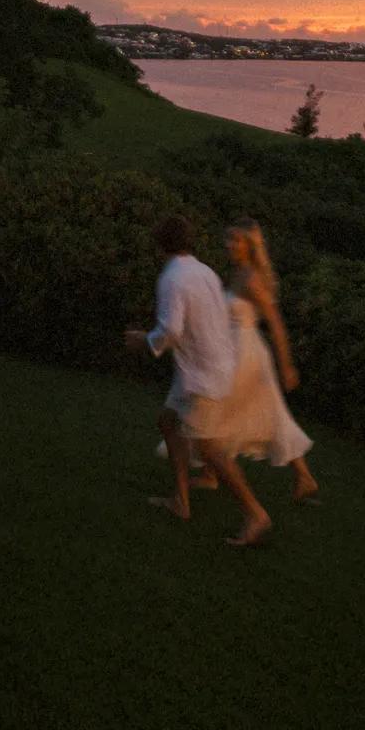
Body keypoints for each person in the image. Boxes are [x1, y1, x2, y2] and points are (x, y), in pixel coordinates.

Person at [124, 214, 271, 547]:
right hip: (206, 369)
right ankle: (181, 501)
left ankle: (255, 514)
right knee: (168, 422)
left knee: (211, 449)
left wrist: (144, 341)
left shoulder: (172, 278)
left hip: (203, 377)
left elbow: (172, 330)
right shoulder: (204, 271)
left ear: (160, 244)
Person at [202, 219, 318, 504]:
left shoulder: (252, 278)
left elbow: (276, 323)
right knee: (262, 412)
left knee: (221, 407)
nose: (230, 245)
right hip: (231, 349)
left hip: (247, 353)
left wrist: (286, 365)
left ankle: (213, 470)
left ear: (250, 246)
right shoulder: (238, 272)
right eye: (228, 240)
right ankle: (213, 471)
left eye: (236, 241)